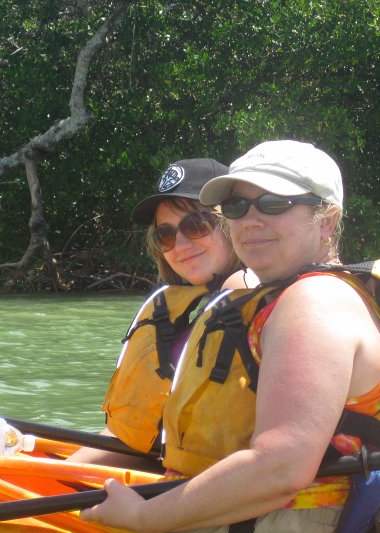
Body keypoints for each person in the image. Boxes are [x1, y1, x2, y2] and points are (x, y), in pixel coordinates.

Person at [80, 140, 380, 533]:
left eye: (274, 203)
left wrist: (142, 517)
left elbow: (279, 468)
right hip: (266, 520)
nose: (250, 221)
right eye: (237, 207)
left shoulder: (314, 302)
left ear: (327, 219)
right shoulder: (289, 296)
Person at [68, 158, 256, 467]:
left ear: (230, 222)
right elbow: (133, 437)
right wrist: (62, 473)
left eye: (196, 225)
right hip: (157, 476)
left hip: (203, 493)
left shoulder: (247, 295)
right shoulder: (176, 310)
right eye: (165, 235)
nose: (180, 245)